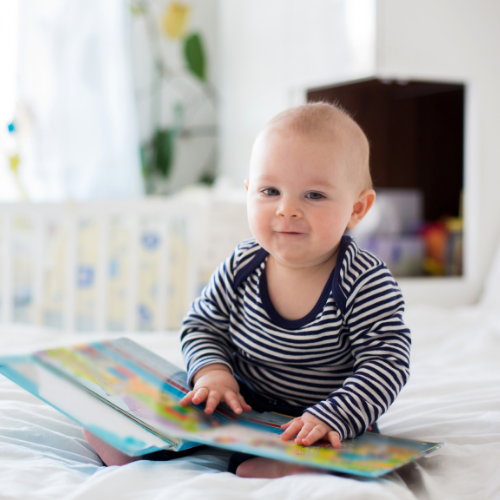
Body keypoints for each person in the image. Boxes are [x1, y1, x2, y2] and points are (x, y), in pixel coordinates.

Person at [84, 102, 411, 477]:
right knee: (186, 406)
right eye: (270, 190)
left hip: (320, 416)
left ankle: (294, 465)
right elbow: (202, 325)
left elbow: (386, 362)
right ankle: (143, 444)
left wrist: (336, 416)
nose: (287, 209)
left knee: (287, 455)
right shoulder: (243, 264)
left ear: (358, 209)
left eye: (314, 195)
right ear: (249, 192)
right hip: (239, 401)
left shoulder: (363, 281)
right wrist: (212, 371)